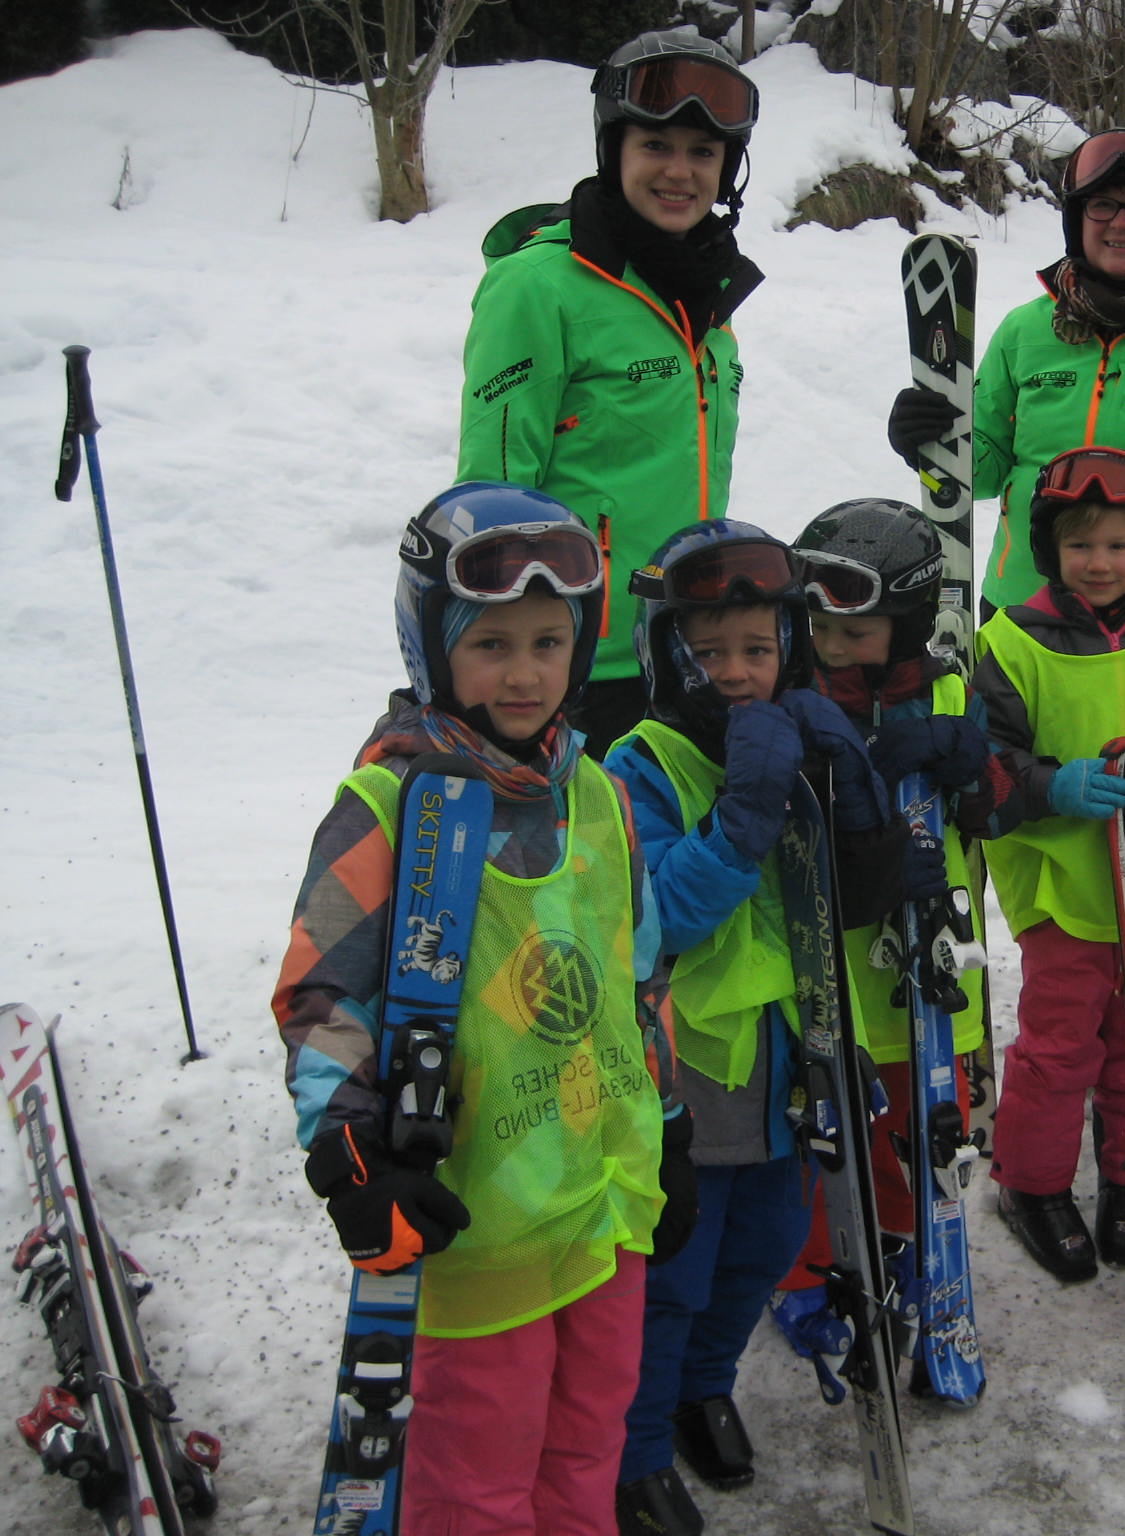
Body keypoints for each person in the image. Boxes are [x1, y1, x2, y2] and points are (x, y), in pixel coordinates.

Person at [272, 482, 693, 1535]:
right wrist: (352, 1154)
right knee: (477, 1480)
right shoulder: (388, 807)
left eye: (549, 643)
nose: (524, 673)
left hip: (604, 1207)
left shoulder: (596, 793)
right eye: (491, 644)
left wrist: (670, 1123)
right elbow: (321, 994)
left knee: (587, 1448)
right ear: (431, 648)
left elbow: (639, 975)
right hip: (476, 1227)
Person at [603, 520, 904, 1535]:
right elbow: (653, 921)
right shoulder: (638, 768)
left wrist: (855, 794)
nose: (736, 673)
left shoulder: (803, 738)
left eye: (756, 649)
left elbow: (853, 901)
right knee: (676, 1274)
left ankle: (703, 1388)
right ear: (667, 655)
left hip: (795, 1053)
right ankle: (637, 1449)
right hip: (692, 1072)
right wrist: (739, 819)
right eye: (710, 652)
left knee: (764, 1249)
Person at [457, 29, 764, 756]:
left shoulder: (705, 295)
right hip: (575, 666)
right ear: (614, 150)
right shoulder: (539, 286)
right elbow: (492, 495)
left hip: (685, 646)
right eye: (656, 145)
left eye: (703, 153)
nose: (680, 172)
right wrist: (506, 661)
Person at [971, 446, 1125, 1281]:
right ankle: (1033, 1183)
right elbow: (982, 765)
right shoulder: (1012, 641)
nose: (1100, 562)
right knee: (1061, 1047)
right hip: (1064, 889)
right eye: (1080, 545)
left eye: (1119, 545)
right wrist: (1049, 785)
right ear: (1050, 551)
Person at [765, 498, 1007, 1378]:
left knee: (915, 1124)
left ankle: (906, 1240)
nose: (832, 644)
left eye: (855, 630)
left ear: (904, 622)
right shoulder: (791, 701)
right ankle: (805, 1270)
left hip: (927, 968)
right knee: (823, 1126)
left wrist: (972, 768)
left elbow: (997, 812)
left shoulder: (950, 691)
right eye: (820, 625)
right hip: (832, 963)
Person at [887, 128, 1125, 614]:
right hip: (1022, 610)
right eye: (1102, 205)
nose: (1122, 224)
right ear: (1077, 218)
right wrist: (931, 439)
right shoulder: (1025, 330)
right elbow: (984, 469)